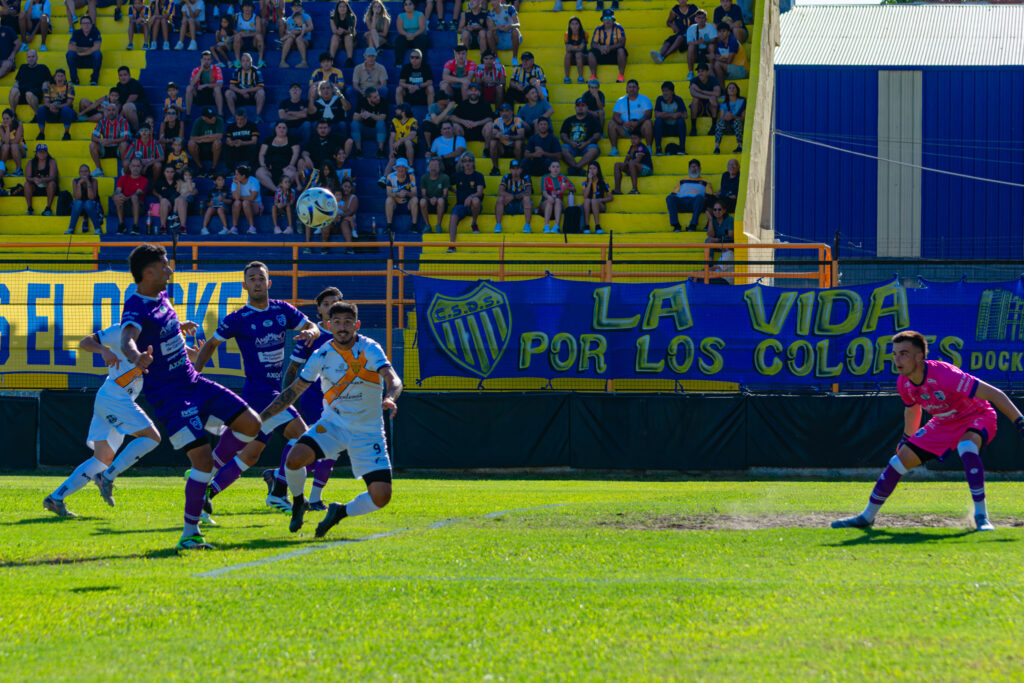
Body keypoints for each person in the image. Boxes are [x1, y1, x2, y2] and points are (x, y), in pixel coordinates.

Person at [120, 243, 263, 549]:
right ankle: (190, 534)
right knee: (200, 460)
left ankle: (204, 472)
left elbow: (160, 329)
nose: (170, 270)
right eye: (164, 266)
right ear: (149, 272)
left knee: (252, 425)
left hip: (194, 382)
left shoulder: (161, 296)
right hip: (170, 398)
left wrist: (177, 330)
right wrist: (136, 357)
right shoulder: (135, 305)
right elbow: (127, 338)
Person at [831, 331, 1024, 532]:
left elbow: (994, 393)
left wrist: (1019, 421)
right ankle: (866, 517)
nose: (897, 359)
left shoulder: (945, 375)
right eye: (895, 354)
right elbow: (913, 409)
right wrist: (906, 440)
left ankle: (981, 517)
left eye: (904, 353)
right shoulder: (903, 383)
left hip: (976, 415)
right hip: (943, 422)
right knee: (897, 462)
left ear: (919, 357)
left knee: (966, 447)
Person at [258, 300, 401, 538]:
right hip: (333, 425)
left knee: (381, 497)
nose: (342, 327)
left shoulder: (370, 348)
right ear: (327, 325)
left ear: (357, 325)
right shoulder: (321, 354)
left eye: (347, 322)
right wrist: (261, 418)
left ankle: (339, 512)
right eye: (337, 322)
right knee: (294, 460)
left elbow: (393, 378)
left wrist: (391, 397)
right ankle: (298, 502)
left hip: (368, 431)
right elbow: (293, 391)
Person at [190, 262, 320, 508]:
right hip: (261, 392)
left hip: (268, 393)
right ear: (244, 285)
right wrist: (195, 373)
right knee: (302, 436)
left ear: (269, 283)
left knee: (250, 454)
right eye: (252, 279)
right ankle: (278, 490)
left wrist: (312, 332)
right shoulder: (238, 318)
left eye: (261, 278)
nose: (257, 282)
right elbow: (210, 344)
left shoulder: (282, 310)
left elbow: (310, 325)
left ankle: (205, 497)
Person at [42, 323, 163, 518]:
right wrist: (103, 350)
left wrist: (195, 354)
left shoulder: (155, 332)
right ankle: (107, 477)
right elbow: (85, 342)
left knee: (101, 459)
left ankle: (56, 498)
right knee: (152, 438)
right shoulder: (121, 330)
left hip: (113, 397)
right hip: (115, 396)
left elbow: (181, 355)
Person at [264, 286, 344, 509]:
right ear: (319, 310)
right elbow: (293, 368)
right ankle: (303, 493)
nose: (331, 307)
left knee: (328, 450)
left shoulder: (348, 334)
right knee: (316, 446)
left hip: (339, 400)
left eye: (335, 302)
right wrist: (287, 396)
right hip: (314, 398)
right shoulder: (311, 335)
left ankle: (280, 477)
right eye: (326, 304)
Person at [447, 152, 484, 249]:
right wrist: (454, 191)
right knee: (453, 216)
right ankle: (452, 245)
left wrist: (471, 196)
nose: (467, 163)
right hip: (460, 205)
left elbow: (480, 192)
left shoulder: (478, 176)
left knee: (475, 200)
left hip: (474, 206)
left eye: (470, 161)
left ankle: (474, 223)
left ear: (473, 163)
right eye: (465, 161)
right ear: (462, 164)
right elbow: (447, 184)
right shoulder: (457, 175)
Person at [666, 157, 711, 232]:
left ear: (700, 168)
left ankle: (693, 225)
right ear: (689, 169)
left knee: (700, 197)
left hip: (695, 203)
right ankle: (676, 225)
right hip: (682, 202)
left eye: (695, 166)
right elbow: (674, 194)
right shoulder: (682, 180)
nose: (693, 169)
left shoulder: (705, 181)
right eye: (691, 167)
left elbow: (709, 196)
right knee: (670, 198)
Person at [609, 79, 653, 155]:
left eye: (634, 87)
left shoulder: (645, 99)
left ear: (638, 88)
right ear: (626, 89)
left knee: (648, 123)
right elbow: (615, 115)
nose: (632, 89)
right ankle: (614, 149)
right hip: (625, 129)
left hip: (640, 129)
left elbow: (648, 114)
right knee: (611, 123)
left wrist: (638, 123)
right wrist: (623, 123)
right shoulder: (620, 100)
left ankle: (649, 148)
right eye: (629, 87)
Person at [88, 102, 130, 177]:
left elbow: (126, 137)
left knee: (124, 144)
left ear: (116, 111)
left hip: (118, 149)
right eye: (109, 110)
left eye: (113, 110)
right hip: (105, 148)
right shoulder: (102, 122)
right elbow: (93, 137)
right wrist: (100, 140)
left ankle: (124, 169)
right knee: (92, 145)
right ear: (106, 112)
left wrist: (110, 141)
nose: (111, 112)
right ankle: (99, 170)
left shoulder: (123, 121)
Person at [254, 120, 298, 191]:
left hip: (285, 168)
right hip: (270, 168)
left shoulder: (292, 140)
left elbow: (295, 153)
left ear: (287, 130)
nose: (281, 129)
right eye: (279, 127)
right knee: (259, 172)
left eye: (284, 128)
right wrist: (262, 164)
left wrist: (291, 165)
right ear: (275, 129)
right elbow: (261, 154)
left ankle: (280, 190)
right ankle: (277, 191)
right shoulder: (268, 140)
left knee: (292, 173)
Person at [559, 97, 600, 172]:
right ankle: (577, 168)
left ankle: (575, 168)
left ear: (587, 107)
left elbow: (597, 135)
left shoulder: (593, 120)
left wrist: (586, 143)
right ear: (575, 107)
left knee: (594, 149)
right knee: (562, 148)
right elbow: (563, 135)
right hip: (571, 146)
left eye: (583, 105)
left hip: (587, 146)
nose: (580, 107)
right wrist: (570, 143)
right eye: (578, 105)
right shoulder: (568, 120)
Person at [651, 0, 698, 64]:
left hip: (691, 35)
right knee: (669, 40)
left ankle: (664, 57)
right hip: (680, 33)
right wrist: (672, 25)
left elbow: (701, 18)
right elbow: (668, 22)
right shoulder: (674, 10)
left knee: (680, 38)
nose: (682, 0)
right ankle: (660, 54)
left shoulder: (693, 8)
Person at [35, 68, 74, 141]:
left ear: (65, 78)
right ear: (55, 77)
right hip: (52, 112)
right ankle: (41, 134)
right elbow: (46, 102)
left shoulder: (70, 87)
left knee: (66, 109)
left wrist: (57, 106)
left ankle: (66, 133)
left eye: (62, 76)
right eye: (58, 76)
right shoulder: (49, 87)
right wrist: (50, 106)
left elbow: (69, 103)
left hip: (64, 113)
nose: (60, 78)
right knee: (41, 109)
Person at [494, 159, 531, 234]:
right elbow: (500, 191)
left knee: (527, 199)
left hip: (521, 205)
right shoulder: (506, 177)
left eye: (517, 168)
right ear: (510, 170)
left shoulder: (526, 177)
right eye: (513, 169)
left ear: (521, 169)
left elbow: (528, 191)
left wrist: (513, 197)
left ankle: (527, 225)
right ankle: (498, 224)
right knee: (500, 198)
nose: (515, 171)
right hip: (509, 205)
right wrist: (513, 196)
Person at [587, 9, 626, 83]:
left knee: (621, 50)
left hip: (614, 54)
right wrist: (600, 47)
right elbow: (593, 43)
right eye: (605, 18)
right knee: (591, 52)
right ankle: (593, 76)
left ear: (613, 19)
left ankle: (621, 76)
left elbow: (622, 43)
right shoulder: (598, 29)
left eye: (609, 18)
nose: (607, 20)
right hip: (603, 53)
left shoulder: (618, 27)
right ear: (602, 20)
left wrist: (609, 48)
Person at [8, 48, 50, 113]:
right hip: (22, 94)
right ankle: (13, 115)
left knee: (29, 94)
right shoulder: (23, 67)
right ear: (27, 58)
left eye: (33, 56)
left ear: (37, 57)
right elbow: (17, 81)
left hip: (35, 94)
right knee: (14, 90)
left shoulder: (43, 68)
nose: (31, 59)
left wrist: (46, 82)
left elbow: (50, 80)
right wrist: (15, 88)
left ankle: (37, 115)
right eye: (29, 57)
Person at [113, 157, 149, 233]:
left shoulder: (144, 180)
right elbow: (118, 190)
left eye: (138, 166)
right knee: (117, 196)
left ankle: (135, 226)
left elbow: (138, 193)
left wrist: (126, 197)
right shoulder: (123, 178)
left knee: (134, 198)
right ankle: (121, 225)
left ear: (141, 167)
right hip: (125, 206)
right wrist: (119, 195)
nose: (135, 168)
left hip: (139, 207)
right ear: (129, 167)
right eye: (133, 166)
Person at [488, 102, 524, 175]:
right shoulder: (497, 121)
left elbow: (521, 136)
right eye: (502, 111)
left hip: (514, 147)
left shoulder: (517, 120)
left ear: (511, 112)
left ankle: (518, 167)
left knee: (518, 142)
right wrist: (497, 136)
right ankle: (495, 168)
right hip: (502, 148)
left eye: (507, 111)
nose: (504, 113)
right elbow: (492, 135)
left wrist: (510, 137)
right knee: (492, 142)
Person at [226, 52, 265, 120]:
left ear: (251, 62)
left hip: (252, 95)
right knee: (228, 93)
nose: (245, 63)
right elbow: (231, 86)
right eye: (243, 61)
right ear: (241, 62)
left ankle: (258, 116)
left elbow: (260, 86)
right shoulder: (237, 71)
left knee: (261, 92)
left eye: (247, 60)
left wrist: (246, 90)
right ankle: (234, 116)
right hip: (239, 95)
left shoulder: (256, 71)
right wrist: (241, 91)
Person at [186, 51, 225, 116]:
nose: (206, 61)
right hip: (200, 94)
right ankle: (188, 114)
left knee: (217, 89)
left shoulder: (216, 69)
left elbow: (220, 84)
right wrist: (201, 70)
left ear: (211, 60)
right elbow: (192, 84)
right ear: (201, 60)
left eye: (208, 59)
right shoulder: (196, 69)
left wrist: (206, 85)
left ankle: (220, 114)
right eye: (204, 59)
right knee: (189, 88)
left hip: (212, 95)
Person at [188, 105, 225, 174]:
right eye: (210, 117)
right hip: (201, 149)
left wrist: (201, 139)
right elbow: (192, 138)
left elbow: (219, 136)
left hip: (214, 149)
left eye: (214, 116)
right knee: (191, 144)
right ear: (204, 118)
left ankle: (213, 168)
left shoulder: (219, 120)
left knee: (217, 143)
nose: (213, 118)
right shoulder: (198, 121)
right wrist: (210, 137)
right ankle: (200, 167)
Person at [612, 129, 652, 194]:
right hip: (634, 168)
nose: (633, 140)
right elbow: (626, 160)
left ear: (640, 139)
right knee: (617, 165)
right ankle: (617, 190)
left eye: (635, 138)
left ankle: (635, 189)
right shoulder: (631, 147)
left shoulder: (641, 147)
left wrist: (628, 163)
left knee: (632, 163)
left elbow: (637, 160)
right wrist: (626, 163)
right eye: (631, 138)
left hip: (646, 169)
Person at [351, 86, 387, 158]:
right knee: (354, 124)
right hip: (364, 129)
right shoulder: (362, 101)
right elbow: (354, 117)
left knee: (381, 123)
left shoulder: (383, 101)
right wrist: (361, 115)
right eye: (375, 97)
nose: (378, 98)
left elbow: (383, 117)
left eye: (378, 95)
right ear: (368, 99)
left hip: (377, 130)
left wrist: (370, 115)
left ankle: (380, 150)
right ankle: (359, 151)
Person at [384, 157, 418, 233]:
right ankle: (389, 226)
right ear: (396, 168)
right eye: (399, 167)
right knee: (388, 199)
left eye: (403, 167)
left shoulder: (411, 177)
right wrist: (397, 194)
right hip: (395, 203)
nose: (401, 169)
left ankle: (414, 226)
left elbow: (415, 193)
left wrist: (407, 193)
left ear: (406, 169)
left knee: (415, 200)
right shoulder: (390, 176)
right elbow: (388, 193)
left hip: (407, 204)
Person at [65, 14, 101, 86]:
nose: (86, 25)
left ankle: (94, 80)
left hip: (91, 60)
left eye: (88, 23)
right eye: (84, 23)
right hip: (79, 60)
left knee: (97, 53)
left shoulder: (95, 32)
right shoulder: (76, 33)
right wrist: (89, 49)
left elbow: (97, 48)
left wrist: (80, 51)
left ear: (91, 24)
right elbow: (70, 47)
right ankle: (74, 79)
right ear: (81, 25)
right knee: (70, 54)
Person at [66, 163, 102, 234]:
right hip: (79, 207)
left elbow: (92, 198)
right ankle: (71, 228)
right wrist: (79, 184)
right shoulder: (75, 181)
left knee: (88, 203)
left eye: (86, 171)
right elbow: (77, 198)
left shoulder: (94, 181)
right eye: (81, 171)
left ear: (89, 172)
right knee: (78, 203)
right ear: (79, 173)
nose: (84, 173)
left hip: (92, 206)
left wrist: (88, 183)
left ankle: (97, 229)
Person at [114, 66, 153, 131]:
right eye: (120, 75)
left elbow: (132, 98)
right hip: (128, 111)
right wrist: (115, 112)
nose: (123, 77)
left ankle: (136, 130)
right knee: (111, 108)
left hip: (141, 110)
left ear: (129, 75)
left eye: (125, 75)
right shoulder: (119, 85)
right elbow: (119, 101)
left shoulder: (134, 83)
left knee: (127, 106)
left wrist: (120, 115)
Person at [653, 80, 686, 155]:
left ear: (672, 92)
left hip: (675, 128)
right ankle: (658, 148)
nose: (665, 93)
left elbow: (685, 115)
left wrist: (664, 114)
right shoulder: (660, 99)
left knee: (681, 121)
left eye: (667, 91)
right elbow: (656, 114)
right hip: (664, 129)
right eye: (663, 91)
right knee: (658, 121)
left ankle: (682, 148)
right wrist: (672, 115)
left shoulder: (678, 99)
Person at [539, 159, 572, 234]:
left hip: (559, 204)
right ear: (549, 168)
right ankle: (546, 226)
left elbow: (574, 188)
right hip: (546, 203)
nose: (555, 169)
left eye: (557, 167)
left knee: (557, 200)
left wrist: (567, 187)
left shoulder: (563, 177)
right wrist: (548, 197)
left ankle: (556, 226)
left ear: (560, 168)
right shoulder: (545, 177)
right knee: (550, 200)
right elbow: (544, 192)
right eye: (553, 167)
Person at [24, 142, 57, 215]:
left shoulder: (51, 161)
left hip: (47, 187)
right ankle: (29, 208)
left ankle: (48, 208)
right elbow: (27, 177)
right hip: (35, 187)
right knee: (27, 184)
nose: (42, 154)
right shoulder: (31, 162)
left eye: (44, 152)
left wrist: (42, 180)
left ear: (47, 153)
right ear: (36, 153)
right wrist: (34, 179)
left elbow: (53, 177)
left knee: (52, 183)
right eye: (40, 152)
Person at [418, 156, 449, 234]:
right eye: (431, 166)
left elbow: (445, 195)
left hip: (440, 204)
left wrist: (437, 199)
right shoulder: (424, 178)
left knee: (441, 200)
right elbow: (423, 194)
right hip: (429, 204)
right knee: (422, 201)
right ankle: (427, 225)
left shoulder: (445, 177)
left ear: (439, 167)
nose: (433, 168)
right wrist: (430, 199)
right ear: (428, 167)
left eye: (435, 166)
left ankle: (438, 226)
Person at [386, 102, 417, 178]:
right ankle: (384, 177)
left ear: (403, 112)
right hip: (399, 146)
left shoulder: (413, 121)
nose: (395, 111)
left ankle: (410, 166)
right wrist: (391, 151)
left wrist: (400, 140)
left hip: (411, 147)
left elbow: (413, 135)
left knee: (408, 142)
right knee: (392, 159)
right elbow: (392, 137)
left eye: (397, 110)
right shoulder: (394, 120)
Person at [688, 61, 719, 136]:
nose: (700, 73)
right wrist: (709, 97)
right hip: (700, 107)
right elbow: (693, 93)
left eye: (702, 71)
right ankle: (693, 127)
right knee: (695, 100)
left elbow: (717, 93)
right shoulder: (694, 80)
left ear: (707, 72)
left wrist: (700, 91)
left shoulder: (713, 79)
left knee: (714, 99)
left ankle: (714, 126)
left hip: (710, 107)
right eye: (698, 71)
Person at [279, 0, 312, 69]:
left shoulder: (306, 16)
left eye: (298, 6)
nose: (296, 7)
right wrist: (290, 34)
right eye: (294, 6)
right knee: (289, 39)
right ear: (291, 8)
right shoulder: (289, 19)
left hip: (304, 39)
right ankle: (282, 61)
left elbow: (311, 27)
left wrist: (298, 32)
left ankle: (304, 62)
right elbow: (287, 31)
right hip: (292, 40)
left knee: (298, 39)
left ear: (301, 7)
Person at [684, 9, 716, 80]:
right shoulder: (691, 28)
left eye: (703, 18)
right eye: (699, 18)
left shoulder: (711, 27)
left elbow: (714, 40)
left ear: (706, 19)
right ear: (695, 19)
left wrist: (705, 42)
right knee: (691, 47)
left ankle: (712, 69)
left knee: (712, 46)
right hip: (697, 51)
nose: (701, 20)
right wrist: (698, 42)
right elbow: (689, 42)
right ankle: (691, 72)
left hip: (707, 50)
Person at [580, 159, 610, 234]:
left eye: (594, 168)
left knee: (594, 200)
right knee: (587, 200)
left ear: (598, 170)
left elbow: (610, 197)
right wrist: (590, 181)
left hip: (599, 205)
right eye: (590, 168)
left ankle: (597, 226)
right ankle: (586, 226)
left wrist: (600, 200)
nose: (592, 170)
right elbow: (585, 196)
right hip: (588, 205)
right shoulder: (585, 182)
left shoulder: (603, 181)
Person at [486, 0, 520, 65]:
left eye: (494, 0)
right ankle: (496, 58)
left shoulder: (509, 8)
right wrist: (498, 27)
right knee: (489, 33)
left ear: (499, 1)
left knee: (515, 31)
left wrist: (510, 26)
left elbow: (518, 24)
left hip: (511, 37)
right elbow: (490, 29)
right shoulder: (490, 12)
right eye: (490, 1)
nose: (492, 3)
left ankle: (514, 58)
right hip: (500, 39)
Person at [231, 163, 262, 233]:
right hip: (240, 207)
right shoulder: (235, 182)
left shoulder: (254, 181)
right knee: (237, 203)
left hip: (255, 206)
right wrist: (238, 185)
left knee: (245, 202)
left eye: (237, 174)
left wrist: (240, 198)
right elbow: (236, 198)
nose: (235, 176)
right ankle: (234, 227)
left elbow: (252, 198)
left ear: (243, 176)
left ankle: (252, 227)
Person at [715, 81, 745, 154]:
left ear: (737, 90)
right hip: (727, 126)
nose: (731, 89)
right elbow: (722, 117)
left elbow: (743, 118)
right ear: (727, 91)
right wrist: (726, 117)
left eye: (733, 88)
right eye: (729, 88)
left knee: (737, 121)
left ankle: (739, 145)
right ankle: (717, 147)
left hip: (738, 126)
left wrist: (733, 117)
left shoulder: (742, 101)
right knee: (720, 123)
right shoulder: (724, 103)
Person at [232, 1, 265, 67]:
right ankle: (237, 61)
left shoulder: (256, 18)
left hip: (253, 41)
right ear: (242, 8)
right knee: (237, 37)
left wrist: (246, 34)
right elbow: (231, 28)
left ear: (252, 8)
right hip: (241, 42)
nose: (247, 8)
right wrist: (238, 33)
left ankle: (260, 61)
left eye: (249, 6)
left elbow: (258, 31)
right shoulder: (237, 16)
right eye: (245, 6)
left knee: (259, 36)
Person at [151, 164, 182, 233]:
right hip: (166, 205)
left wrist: (179, 187)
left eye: (172, 172)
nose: (169, 174)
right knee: (164, 201)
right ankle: (163, 227)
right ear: (164, 172)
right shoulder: (161, 182)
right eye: (167, 172)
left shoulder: (178, 181)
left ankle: (182, 227)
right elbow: (153, 191)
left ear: (175, 173)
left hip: (177, 205)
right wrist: (159, 196)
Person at [394, 0, 427, 65]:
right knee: (399, 40)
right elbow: (400, 29)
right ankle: (398, 63)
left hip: (418, 35)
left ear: (414, 6)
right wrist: (407, 35)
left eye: (410, 4)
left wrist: (413, 35)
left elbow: (422, 28)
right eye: (405, 4)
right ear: (403, 7)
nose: (408, 6)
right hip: (406, 36)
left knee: (421, 40)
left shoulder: (420, 14)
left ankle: (421, 63)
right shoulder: (401, 16)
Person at [329, 0, 355, 67]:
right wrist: (338, 32)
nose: (342, 8)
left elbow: (351, 31)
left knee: (348, 36)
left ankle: (349, 60)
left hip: (350, 37)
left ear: (347, 8)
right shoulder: (333, 18)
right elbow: (334, 30)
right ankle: (331, 59)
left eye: (344, 7)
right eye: (340, 7)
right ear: (337, 9)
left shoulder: (352, 17)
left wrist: (344, 31)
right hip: (339, 39)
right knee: (335, 36)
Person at [0, 108, 24, 177]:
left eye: (7, 118)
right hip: (7, 151)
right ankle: (2, 168)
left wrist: (4, 142)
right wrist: (7, 128)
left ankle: (19, 170)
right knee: (5, 146)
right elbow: (6, 142)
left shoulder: (19, 124)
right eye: (4, 119)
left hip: (19, 149)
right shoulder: (1, 127)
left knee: (13, 146)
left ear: (12, 118)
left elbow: (16, 141)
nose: (5, 121)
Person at [563, 16, 586, 84]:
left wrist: (572, 47)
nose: (574, 26)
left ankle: (580, 77)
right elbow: (567, 49)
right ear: (569, 25)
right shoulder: (566, 34)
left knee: (578, 54)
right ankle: (567, 77)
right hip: (572, 56)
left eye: (576, 24)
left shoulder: (584, 34)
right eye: (572, 24)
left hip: (583, 56)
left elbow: (581, 49)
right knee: (567, 55)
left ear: (579, 25)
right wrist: (577, 47)